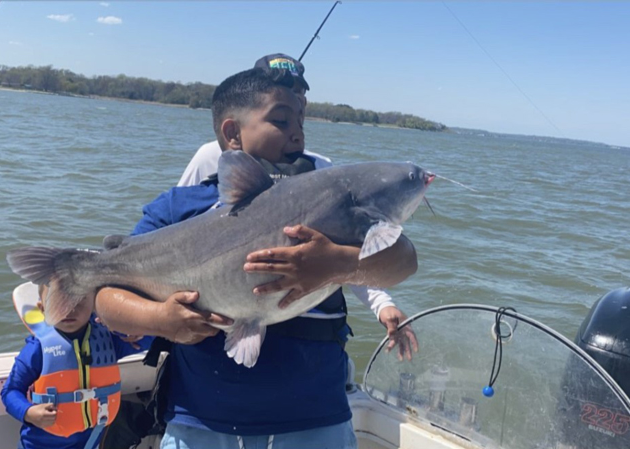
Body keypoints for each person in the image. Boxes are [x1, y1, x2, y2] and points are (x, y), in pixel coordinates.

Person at [94, 67, 418, 449]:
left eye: (302, 119)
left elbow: (403, 261)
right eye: (282, 121)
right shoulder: (179, 208)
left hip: (316, 420)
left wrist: (336, 263)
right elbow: (105, 298)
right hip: (200, 421)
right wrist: (159, 319)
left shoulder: (332, 203)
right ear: (232, 133)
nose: (297, 131)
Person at [178, 53, 417, 353]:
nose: (296, 127)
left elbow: (351, 245)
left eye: (300, 107)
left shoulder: (322, 170)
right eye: (280, 116)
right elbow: (179, 242)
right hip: (231, 318)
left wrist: (382, 304)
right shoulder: (209, 158)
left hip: (309, 341)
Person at [1, 283, 152, 449]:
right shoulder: (37, 349)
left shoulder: (110, 341)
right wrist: (28, 413)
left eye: (79, 300)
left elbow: (150, 339)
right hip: (38, 445)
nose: (69, 309)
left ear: (95, 305)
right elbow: (10, 391)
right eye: (58, 301)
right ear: (42, 308)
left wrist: (135, 327)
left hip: (90, 443)